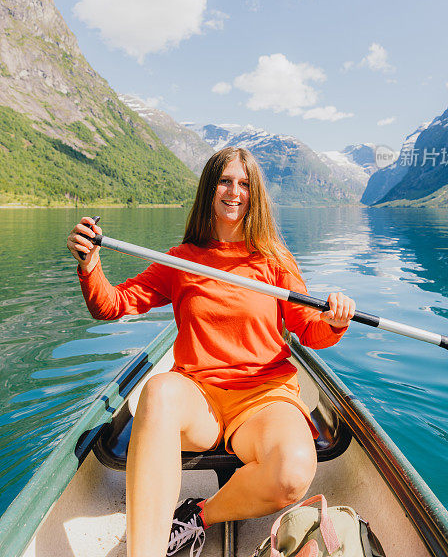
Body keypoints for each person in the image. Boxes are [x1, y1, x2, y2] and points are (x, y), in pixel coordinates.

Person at [67, 147, 356, 557]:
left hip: (264, 396)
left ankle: (198, 516)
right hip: (198, 396)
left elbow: (308, 331)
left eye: (244, 184)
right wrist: (90, 265)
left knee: (292, 475)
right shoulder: (181, 260)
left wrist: (334, 321)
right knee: (160, 391)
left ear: (254, 194)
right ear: (209, 189)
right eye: (225, 181)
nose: (234, 192)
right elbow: (111, 304)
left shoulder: (274, 261)